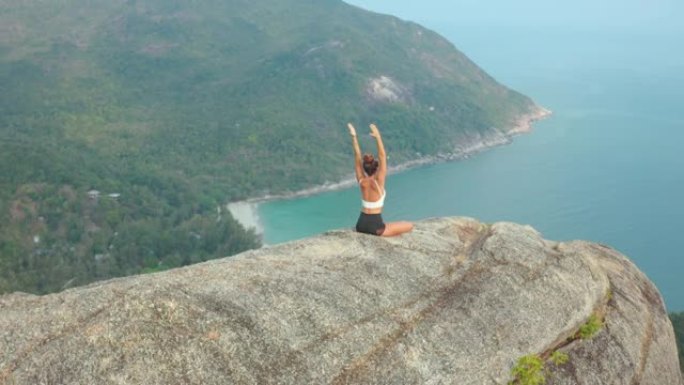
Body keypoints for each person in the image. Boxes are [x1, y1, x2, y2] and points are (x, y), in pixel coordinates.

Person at [348, 123, 413, 237]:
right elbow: (382, 156)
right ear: (376, 168)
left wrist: (354, 136)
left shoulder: (362, 181)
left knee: (392, 225)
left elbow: (357, 156)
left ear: (365, 168)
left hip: (360, 225)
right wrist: (378, 137)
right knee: (408, 225)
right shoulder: (378, 181)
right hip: (375, 227)